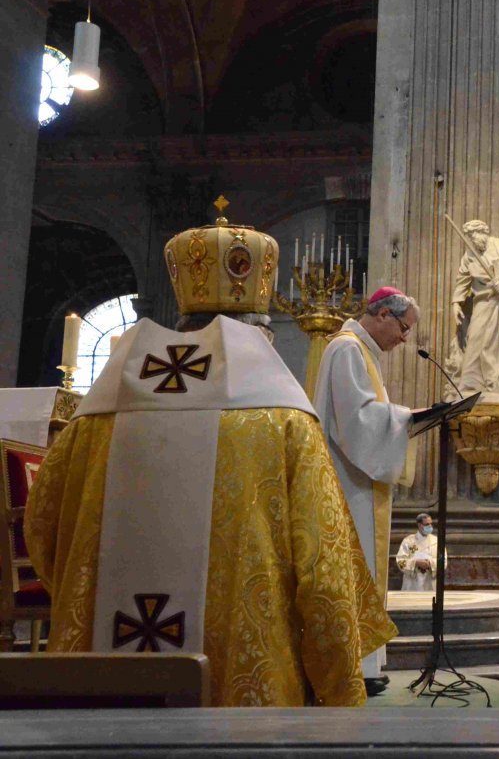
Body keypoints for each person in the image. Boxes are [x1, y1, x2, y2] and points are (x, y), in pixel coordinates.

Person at [25, 214, 395, 706]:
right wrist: (339, 688)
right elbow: (324, 578)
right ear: (263, 330)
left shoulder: (95, 420)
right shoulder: (284, 423)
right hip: (241, 699)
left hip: (96, 684)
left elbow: (45, 534)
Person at [312, 286, 421, 695]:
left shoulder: (361, 352)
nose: (405, 339)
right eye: (404, 328)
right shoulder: (346, 349)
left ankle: (365, 663)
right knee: (353, 569)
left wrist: (399, 421)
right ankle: (352, 666)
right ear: (382, 315)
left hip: (361, 478)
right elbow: (356, 422)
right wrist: (407, 418)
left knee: (366, 570)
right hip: (347, 478)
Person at [450, 219, 499, 394]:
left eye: (472, 236)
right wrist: (456, 303)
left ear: (482, 232)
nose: (471, 240)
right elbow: (462, 280)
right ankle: (470, 385)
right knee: (475, 338)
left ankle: (494, 383)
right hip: (483, 303)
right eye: (468, 237)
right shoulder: (470, 256)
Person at [396, 512, 440, 592]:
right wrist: (416, 562)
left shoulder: (437, 541)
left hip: (430, 583)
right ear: (419, 525)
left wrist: (430, 563)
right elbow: (400, 561)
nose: (430, 526)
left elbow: (443, 561)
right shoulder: (408, 541)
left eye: (431, 524)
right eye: (427, 524)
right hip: (412, 584)